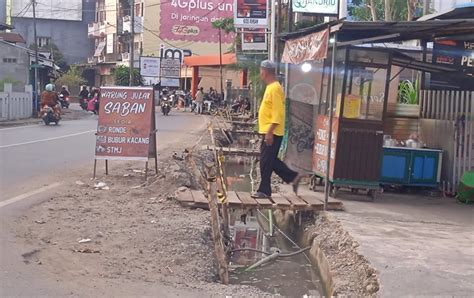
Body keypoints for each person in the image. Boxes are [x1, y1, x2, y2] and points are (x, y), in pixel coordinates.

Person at [251, 60, 301, 199]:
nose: (260, 73)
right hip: (268, 131)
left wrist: (270, 131)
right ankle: (293, 177)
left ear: (265, 72)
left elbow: (278, 112)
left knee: (266, 162)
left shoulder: (275, 88)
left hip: (272, 132)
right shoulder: (270, 87)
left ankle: (264, 190)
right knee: (269, 160)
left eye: (261, 70)